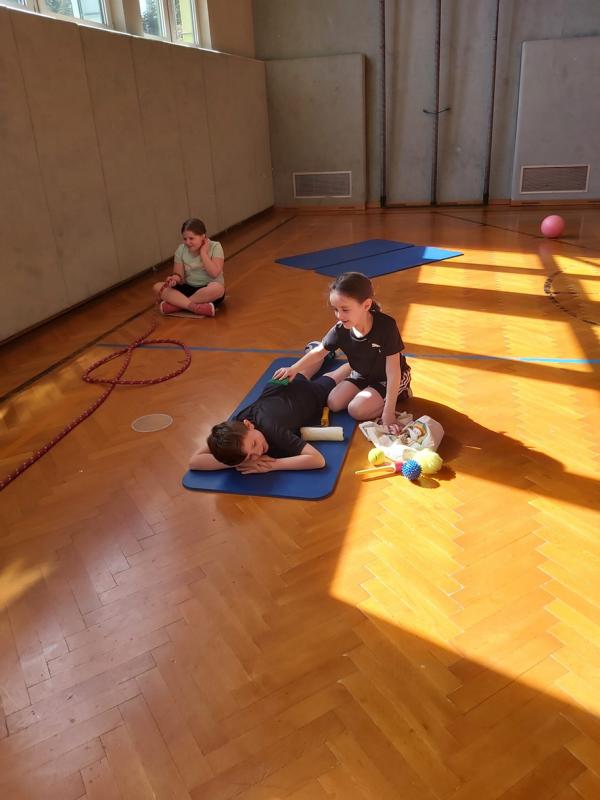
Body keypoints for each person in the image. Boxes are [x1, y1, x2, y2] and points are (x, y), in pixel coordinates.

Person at [273, 272, 411, 433]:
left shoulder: (386, 327)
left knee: (356, 410)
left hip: (387, 378)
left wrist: (388, 413)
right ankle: (371, 394)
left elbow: (393, 370)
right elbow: (319, 352)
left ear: (366, 305)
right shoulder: (341, 329)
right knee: (333, 403)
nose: (339, 315)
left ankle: (401, 393)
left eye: (345, 309)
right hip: (362, 374)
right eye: (335, 309)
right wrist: (293, 369)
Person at [189, 362, 350, 473]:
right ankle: (319, 352)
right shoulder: (233, 432)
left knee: (333, 376)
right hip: (276, 389)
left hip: (307, 395)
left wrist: (273, 465)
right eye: (250, 456)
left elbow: (318, 460)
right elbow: (194, 462)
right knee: (303, 372)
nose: (258, 453)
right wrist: (239, 461)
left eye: (254, 444)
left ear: (248, 425)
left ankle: (351, 359)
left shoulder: (273, 430)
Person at [153, 218, 224, 317]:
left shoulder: (216, 246)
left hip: (207, 289)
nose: (187, 242)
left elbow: (214, 273)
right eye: (185, 239)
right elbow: (179, 276)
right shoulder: (181, 249)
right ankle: (195, 307)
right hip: (188, 287)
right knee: (157, 286)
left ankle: (178, 305)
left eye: (191, 238)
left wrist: (203, 253)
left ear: (203, 236)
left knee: (218, 289)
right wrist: (174, 279)